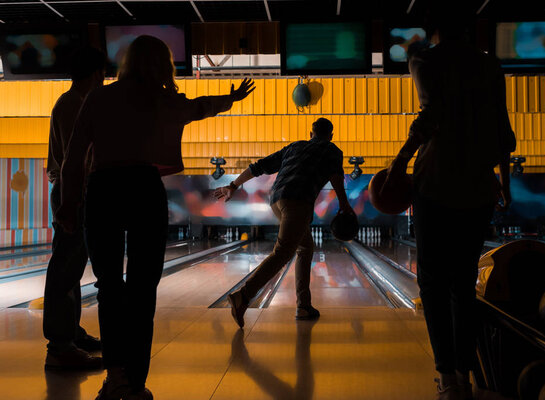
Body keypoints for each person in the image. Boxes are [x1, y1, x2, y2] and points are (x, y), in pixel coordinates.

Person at [57, 35, 254, 400]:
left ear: (128, 62)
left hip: (103, 189)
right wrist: (231, 99)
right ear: (163, 65)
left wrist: (68, 205)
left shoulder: (99, 97)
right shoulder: (163, 100)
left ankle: (115, 375)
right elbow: (200, 107)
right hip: (145, 189)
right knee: (143, 289)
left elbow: (72, 158)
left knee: (109, 287)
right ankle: (135, 381)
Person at [382, 5, 516, 400]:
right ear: (471, 27)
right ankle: (465, 370)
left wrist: (399, 160)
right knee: (463, 283)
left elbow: (431, 116)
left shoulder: (423, 58)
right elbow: (503, 133)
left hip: (435, 183)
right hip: (478, 186)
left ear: (433, 29)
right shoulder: (490, 66)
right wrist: (503, 182)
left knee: (433, 282)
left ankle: (448, 377)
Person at [214, 117, 354, 328]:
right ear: (331, 136)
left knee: (305, 247)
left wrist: (233, 185)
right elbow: (336, 178)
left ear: (311, 134)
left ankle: (304, 306)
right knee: (283, 252)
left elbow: (259, 166)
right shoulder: (332, 150)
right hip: (298, 201)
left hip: (277, 200)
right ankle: (243, 295)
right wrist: (344, 204)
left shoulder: (295, 146)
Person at [44, 46, 106, 370]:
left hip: (77, 193)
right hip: (73, 194)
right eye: (103, 73)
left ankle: (71, 334)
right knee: (65, 268)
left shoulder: (79, 103)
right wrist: (71, 203)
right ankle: (59, 346)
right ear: (96, 73)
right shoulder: (72, 104)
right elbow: (73, 161)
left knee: (72, 268)